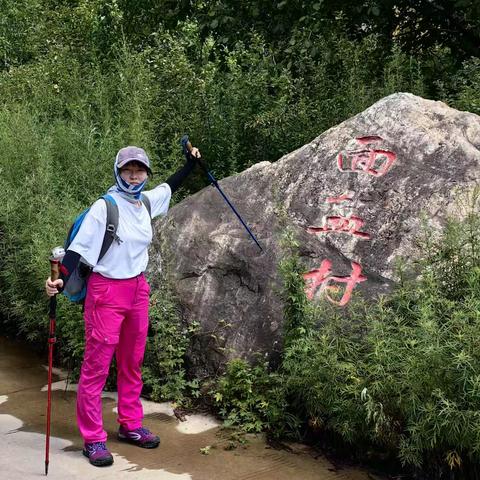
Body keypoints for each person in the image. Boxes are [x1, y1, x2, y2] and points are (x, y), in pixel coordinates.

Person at [45, 144, 199, 467]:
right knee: (96, 367)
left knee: (132, 361)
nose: (134, 175)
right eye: (128, 169)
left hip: (137, 289)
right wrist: (59, 280)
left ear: (145, 173)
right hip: (105, 292)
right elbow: (76, 251)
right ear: (118, 171)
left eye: (139, 170)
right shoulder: (105, 207)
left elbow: (169, 187)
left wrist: (191, 165)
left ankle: (130, 425)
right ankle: (94, 438)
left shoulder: (144, 202)